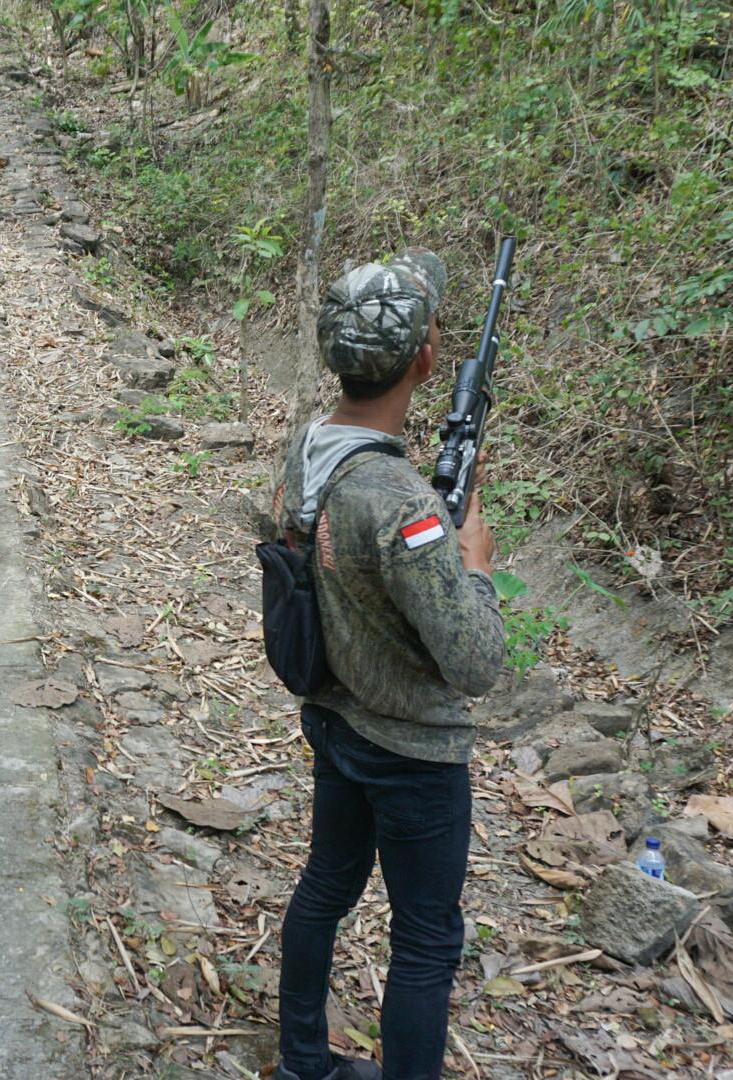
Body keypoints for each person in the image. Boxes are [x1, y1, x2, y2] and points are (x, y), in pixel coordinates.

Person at [261, 251, 506, 1080]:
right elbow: (474, 662)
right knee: (427, 941)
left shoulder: (306, 451)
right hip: (412, 752)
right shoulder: (400, 504)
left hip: (335, 720)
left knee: (327, 885)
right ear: (426, 359)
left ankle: (302, 1059)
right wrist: (473, 562)